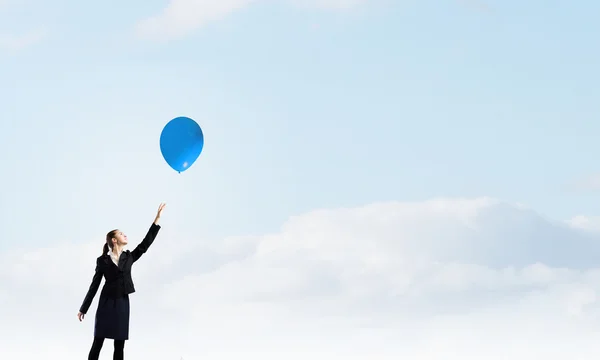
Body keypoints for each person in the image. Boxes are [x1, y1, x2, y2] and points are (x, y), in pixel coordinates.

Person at [77, 203, 166, 360]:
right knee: (98, 341)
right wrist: (83, 308)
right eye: (121, 233)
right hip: (105, 303)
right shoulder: (102, 261)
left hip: (122, 303)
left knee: (119, 344)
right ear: (114, 240)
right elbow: (94, 286)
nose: (125, 235)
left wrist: (156, 220)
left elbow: (145, 245)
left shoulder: (129, 257)